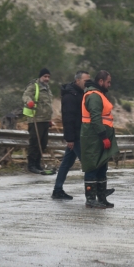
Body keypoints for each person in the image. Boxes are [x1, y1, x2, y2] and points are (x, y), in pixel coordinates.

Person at [80, 70, 118, 209]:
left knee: (102, 166)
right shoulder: (94, 96)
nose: (109, 85)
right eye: (108, 82)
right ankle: (90, 199)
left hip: (100, 137)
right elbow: (95, 119)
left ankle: (102, 198)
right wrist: (103, 136)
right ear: (101, 81)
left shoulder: (100, 95)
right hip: (93, 137)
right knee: (92, 167)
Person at [51, 71, 90, 200]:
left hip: (79, 134)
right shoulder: (70, 96)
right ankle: (93, 190)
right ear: (77, 81)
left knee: (66, 163)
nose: (87, 83)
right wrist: (70, 139)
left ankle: (57, 189)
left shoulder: (80, 94)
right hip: (76, 136)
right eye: (85, 80)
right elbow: (68, 119)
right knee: (88, 163)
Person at [22, 68, 54, 174]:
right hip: (36, 119)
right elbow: (25, 95)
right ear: (40, 77)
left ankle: (37, 164)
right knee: (35, 143)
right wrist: (29, 101)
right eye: (45, 76)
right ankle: (31, 165)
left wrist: (49, 119)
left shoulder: (47, 88)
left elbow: (48, 104)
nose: (47, 79)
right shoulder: (34, 86)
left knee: (43, 143)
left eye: (48, 77)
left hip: (45, 120)